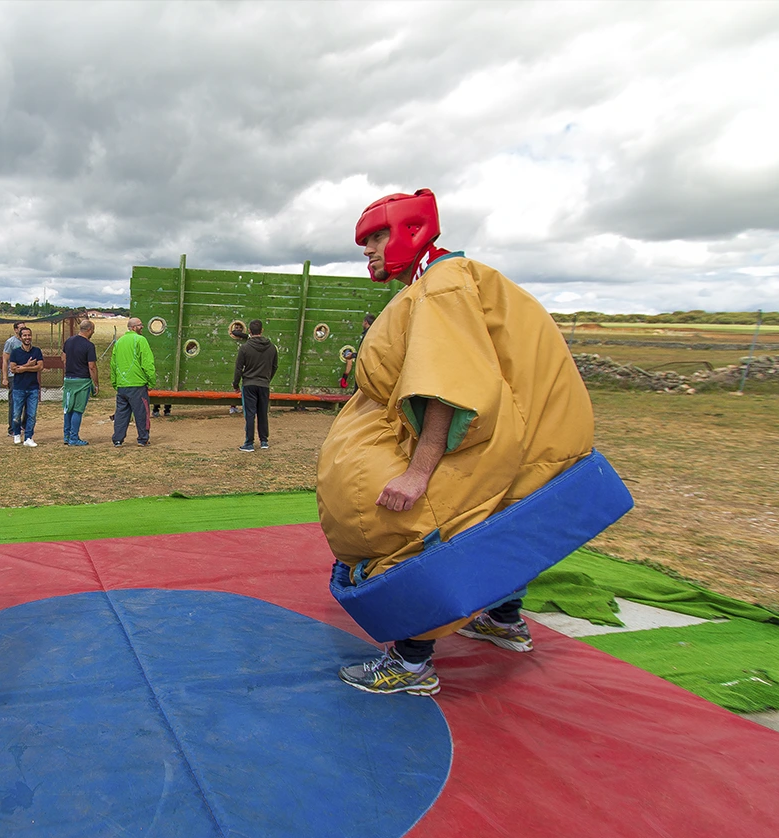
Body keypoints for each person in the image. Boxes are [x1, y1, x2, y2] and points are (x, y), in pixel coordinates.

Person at [321, 189, 593, 696]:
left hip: (504, 435)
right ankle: (503, 619)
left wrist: (418, 473)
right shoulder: (451, 279)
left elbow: (445, 382)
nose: (369, 250)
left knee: (418, 532)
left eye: (377, 237)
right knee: (494, 522)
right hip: (532, 434)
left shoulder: (442, 285)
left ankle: (411, 662)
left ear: (412, 231)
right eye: (366, 241)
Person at [233, 318, 278, 451]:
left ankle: (249, 443)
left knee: (250, 414)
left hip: (249, 384)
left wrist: (236, 384)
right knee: (263, 413)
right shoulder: (272, 348)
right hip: (264, 384)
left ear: (250, 331)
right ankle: (264, 441)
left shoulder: (245, 348)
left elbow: (238, 368)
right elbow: (274, 366)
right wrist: (267, 379)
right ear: (262, 330)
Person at [110, 316, 156, 447]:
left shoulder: (118, 342)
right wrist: (151, 382)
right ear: (133, 327)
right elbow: (148, 363)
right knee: (141, 413)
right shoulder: (140, 340)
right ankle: (143, 439)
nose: (142, 327)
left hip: (122, 385)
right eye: (140, 325)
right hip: (137, 385)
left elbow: (113, 364)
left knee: (121, 414)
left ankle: (117, 439)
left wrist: (115, 382)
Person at [61, 320, 99, 446]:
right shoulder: (89, 345)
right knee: (78, 410)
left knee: (68, 409)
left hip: (68, 380)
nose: (93, 332)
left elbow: (63, 357)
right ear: (89, 330)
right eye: (93, 330)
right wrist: (96, 383)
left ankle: (66, 436)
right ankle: (74, 438)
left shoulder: (69, 341)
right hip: (82, 381)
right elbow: (92, 366)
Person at [8, 326, 43, 447]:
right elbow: (13, 369)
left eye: (29, 335)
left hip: (33, 388)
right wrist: (28, 365)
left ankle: (29, 437)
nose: (27, 338)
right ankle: (17, 433)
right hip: (19, 388)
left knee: (31, 414)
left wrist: (22, 368)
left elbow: (39, 367)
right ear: (20, 337)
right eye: (25, 335)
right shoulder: (15, 352)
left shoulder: (36, 351)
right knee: (17, 414)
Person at [1, 321, 25, 437]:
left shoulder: (26, 342)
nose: (23, 331)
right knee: (14, 402)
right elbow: (5, 360)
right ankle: (12, 428)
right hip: (13, 376)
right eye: (21, 328)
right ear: (15, 330)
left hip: (25, 375)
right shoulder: (10, 342)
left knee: (27, 401)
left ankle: (23, 425)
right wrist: (5, 377)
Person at [340, 313, 374, 391]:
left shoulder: (368, 336)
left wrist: (353, 355)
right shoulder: (372, 334)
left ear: (365, 322)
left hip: (364, 368)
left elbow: (365, 352)